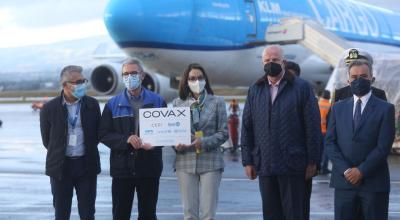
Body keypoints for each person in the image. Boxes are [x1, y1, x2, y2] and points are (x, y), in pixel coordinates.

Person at [241, 45, 321, 220]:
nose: (271, 63)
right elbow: (247, 127)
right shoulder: (255, 89)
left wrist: (313, 160)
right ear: (262, 63)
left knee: (294, 214)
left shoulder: (302, 88)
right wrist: (247, 161)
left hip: (293, 165)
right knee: (271, 215)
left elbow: (312, 126)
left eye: (275, 60)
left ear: (283, 62)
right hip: (266, 165)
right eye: (267, 60)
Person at [325, 55, 396, 220]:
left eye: (363, 76)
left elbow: (383, 146)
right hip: (344, 183)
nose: (359, 80)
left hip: (373, 183)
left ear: (372, 78)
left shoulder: (386, 109)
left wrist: (361, 171)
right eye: (354, 77)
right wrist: (347, 170)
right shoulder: (338, 108)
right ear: (348, 80)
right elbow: (330, 142)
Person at [99, 59, 166, 220]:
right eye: (126, 74)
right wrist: (126, 140)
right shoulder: (112, 104)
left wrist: (156, 144)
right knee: (120, 214)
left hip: (149, 167)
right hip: (122, 169)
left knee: (148, 214)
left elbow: (166, 132)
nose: (130, 77)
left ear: (142, 75)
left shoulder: (158, 101)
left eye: (133, 73)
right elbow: (103, 134)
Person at [39, 65, 101, 220]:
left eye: (83, 81)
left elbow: (97, 134)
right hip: (61, 166)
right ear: (64, 85)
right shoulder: (49, 108)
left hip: (86, 165)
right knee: (61, 212)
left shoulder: (92, 104)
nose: (82, 84)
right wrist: (60, 152)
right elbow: (47, 140)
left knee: (87, 212)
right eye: (77, 82)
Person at [172, 63, 228, 220]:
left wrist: (202, 142)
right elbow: (173, 133)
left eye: (200, 78)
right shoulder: (177, 103)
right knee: (189, 213)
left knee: (208, 214)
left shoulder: (218, 102)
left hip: (211, 162)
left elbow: (223, 133)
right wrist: (176, 145)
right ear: (186, 81)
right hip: (185, 162)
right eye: (192, 78)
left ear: (205, 80)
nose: (196, 81)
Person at [319, 90, 331, 174]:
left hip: (317, 130)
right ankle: (324, 167)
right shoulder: (330, 105)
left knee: (318, 149)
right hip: (326, 130)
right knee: (326, 150)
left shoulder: (317, 104)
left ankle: (318, 167)